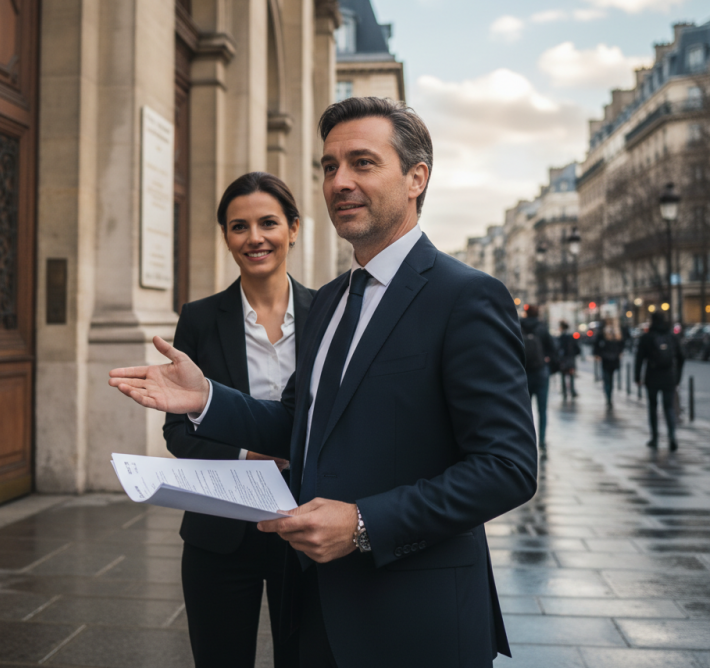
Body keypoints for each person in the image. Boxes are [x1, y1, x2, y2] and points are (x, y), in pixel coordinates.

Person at [110, 97, 538, 668]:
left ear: (417, 179)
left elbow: (507, 468)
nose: (340, 182)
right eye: (329, 167)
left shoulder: (466, 296)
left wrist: (364, 525)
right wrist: (208, 399)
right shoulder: (334, 299)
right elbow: (301, 423)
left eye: (362, 163)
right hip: (313, 611)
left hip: (413, 615)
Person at [163, 173, 314, 668]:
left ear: (293, 229)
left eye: (268, 223)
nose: (255, 238)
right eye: (238, 226)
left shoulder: (330, 312)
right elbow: (178, 432)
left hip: (307, 523)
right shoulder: (200, 319)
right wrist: (251, 454)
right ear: (226, 237)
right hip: (219, 531)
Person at [635, 311, 685, 451]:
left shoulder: (647, 337)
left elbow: (639, 358)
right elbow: (681, 358)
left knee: (652, 407)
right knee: (669, 407)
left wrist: (637, 377)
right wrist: (677, 377)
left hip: (652, 376)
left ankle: (655, 438)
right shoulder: (671, 337)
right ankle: (672, 436)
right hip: (669, 376)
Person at [520, 305, 556, 456]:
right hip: (541, 373)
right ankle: (541, 441)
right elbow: (553, 349)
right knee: (542, 410)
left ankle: (525, 442)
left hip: (523, 375)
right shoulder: (542, 328)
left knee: (523, 411)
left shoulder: (518, 326)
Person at [593, 319, 624, 409]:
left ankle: (609, 398)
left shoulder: (604, 333)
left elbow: (596, 345)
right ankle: (609, 397)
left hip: (607, 359)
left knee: (607, 380)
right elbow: (622, 344)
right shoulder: (616, 333)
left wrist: (598, 354)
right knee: (610, 380)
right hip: (613, 359)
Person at [557, 320, 580, 401]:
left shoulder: (561, 338)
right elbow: (577, 349)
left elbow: (557, 348)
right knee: (571, 376)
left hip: (563, 360)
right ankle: (572, 391)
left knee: (563, 376)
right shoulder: (571, 337)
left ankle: (565, 392)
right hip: (570, 359)